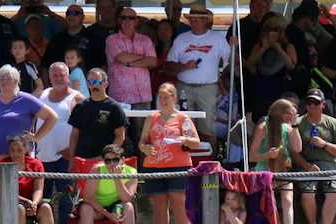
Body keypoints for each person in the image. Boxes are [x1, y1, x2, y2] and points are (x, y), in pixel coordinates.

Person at [138, 83, 198, 224]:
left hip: (179, 165)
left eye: (166, 97)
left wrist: (183, 139)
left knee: (179, 204)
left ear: (174, 98)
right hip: (155, 165)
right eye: (161, 97)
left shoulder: (182, 118)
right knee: (159, 205)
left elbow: (196, 141)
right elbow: (142, 141)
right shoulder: (152, 117)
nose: (163, 100)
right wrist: (145, 148)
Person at [167, 6, 232, 148]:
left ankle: (212, 165)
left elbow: (230, 60)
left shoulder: (217, 38)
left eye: (198, 19)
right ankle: (187, 164)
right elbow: (169, 64)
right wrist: (184, 66)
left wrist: (235, 47)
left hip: (207, 88)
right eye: (192, 19)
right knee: (185, 128)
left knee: (208, 128)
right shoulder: (181, 39)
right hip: (184, 87)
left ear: (205, 21)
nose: (195, 22)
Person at [292, 88, 336, 224]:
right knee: (308, 192)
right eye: (309, 103)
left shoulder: (333, 123)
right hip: (306, 163)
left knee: (333, 191)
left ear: (323, 104)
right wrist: (306, 166)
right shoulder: (299, 123)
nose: (312, 106)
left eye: (316, 102)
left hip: (328, 162)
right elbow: (293, 152)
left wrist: (324, 144)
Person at [0, 66, 59, 165]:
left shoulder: (26, 99)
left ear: (16, 81)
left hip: (20, 157)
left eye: (9, 79)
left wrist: (36, 137)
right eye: (1, 78)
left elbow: (52, 117)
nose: (5, 81)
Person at [37, 63, 83, 224]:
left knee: (67, 202)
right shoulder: (42, 95)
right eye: (54, 75)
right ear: (49, 77)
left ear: (68, 77)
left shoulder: (77, 98)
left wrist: (73, 152)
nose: (58, 78)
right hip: (42, 158)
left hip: (65, 159)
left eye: (61, 75)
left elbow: (85, 130)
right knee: (42, 203)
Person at [249, 98, 301, 224]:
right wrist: (267, 155)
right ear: (281, 113)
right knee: (272, 203)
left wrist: (295, 124)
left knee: (288, 201)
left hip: (283, 169)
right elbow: (252, 155)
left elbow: (297, 148)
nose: (291, 116)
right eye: (289, 113)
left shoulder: (288, 127)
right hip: (265, 169)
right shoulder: (263, 127)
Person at [76, 144, 138, 224]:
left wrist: (117, 178)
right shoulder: (97, 170)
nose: (112, 164)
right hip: (97, 207)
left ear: (123, 160)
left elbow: (127, 198)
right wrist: (108, 215)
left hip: (117, 206)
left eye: (115, 160)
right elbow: (88, 197)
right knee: (85, 208)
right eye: (108, 161)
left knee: (128, 206)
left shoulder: (132, 172)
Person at [1, 134, 54, 224]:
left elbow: (38, 189)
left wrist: (34, 203)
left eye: (19, 150)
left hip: (31, 201)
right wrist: (26, 202)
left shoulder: (36, 165)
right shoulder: (2, 164)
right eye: (12, 150)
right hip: (10, 201)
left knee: (46, 208)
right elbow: (6, 190)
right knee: (20, 209)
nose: (16, 154)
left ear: (26, 149)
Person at [67, 68, 127, 163]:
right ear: (87, 84)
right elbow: (74, 135)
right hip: (82, 159)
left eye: (98, 82)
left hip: (104, 161)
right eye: (91, 82)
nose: (94, 85)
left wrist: (108, 157)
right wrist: (71, 159)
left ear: (106, 84)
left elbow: (120, 136)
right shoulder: (80, 107)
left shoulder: (114, 107)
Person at [248, 14, 297, 121]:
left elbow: (292, 66)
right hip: (260, 88)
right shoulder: (259, 45)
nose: (272, 32)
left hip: (278, 88)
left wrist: (280, 51)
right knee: (260, 119)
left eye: (276, 29)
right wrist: (264, 47)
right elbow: (250, 62)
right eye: (269, 29)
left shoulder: (288, 46)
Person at [106, 6, 157, 109]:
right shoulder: (112, 39)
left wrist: (130, 63)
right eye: (124, 18)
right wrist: (143, 58)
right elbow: (121, 57)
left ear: (136, 21)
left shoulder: (145, 40)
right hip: (120, 95)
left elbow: (153, 61)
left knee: (143, 125)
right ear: (119, 20)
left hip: (143, 95)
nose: (127, 20)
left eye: (131, 18)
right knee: (121, 125)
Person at [44, 4, 92, 79]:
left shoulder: (92, 37)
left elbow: (101, 64)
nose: (71, 16)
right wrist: (47, 86)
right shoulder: (56, 39)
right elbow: (45, 66)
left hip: (86, 86)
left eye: (75, 13)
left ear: (83, 17)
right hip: (59, 85)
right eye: (68, 14)